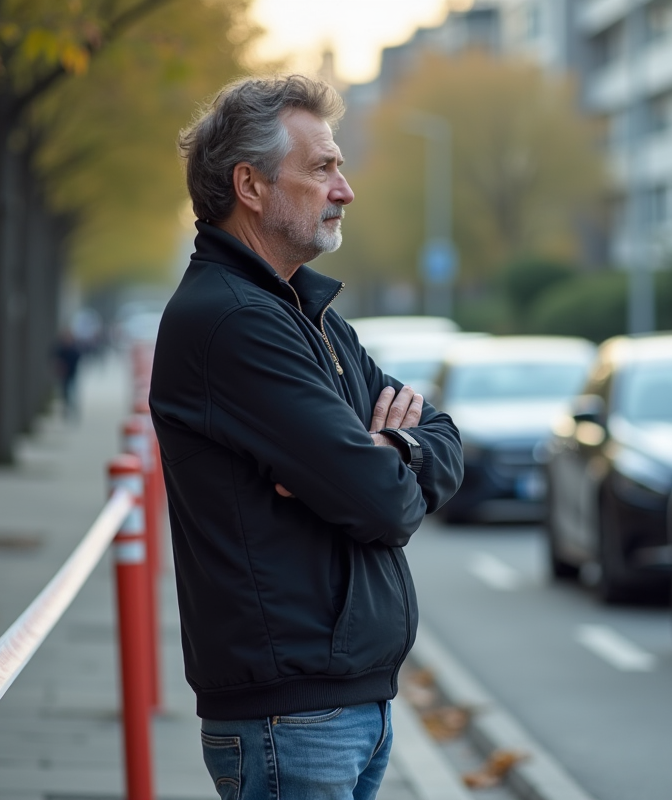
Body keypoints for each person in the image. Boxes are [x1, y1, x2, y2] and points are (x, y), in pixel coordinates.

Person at [149, 75, 463, 800]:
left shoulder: (307, 315)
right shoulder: (234, 322)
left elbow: (442, 433)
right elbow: (384, 505)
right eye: (321, 169)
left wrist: (393, 449)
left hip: (342, 707)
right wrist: (372, 466)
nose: (344, 190)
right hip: (290, 719)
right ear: (251, 186)